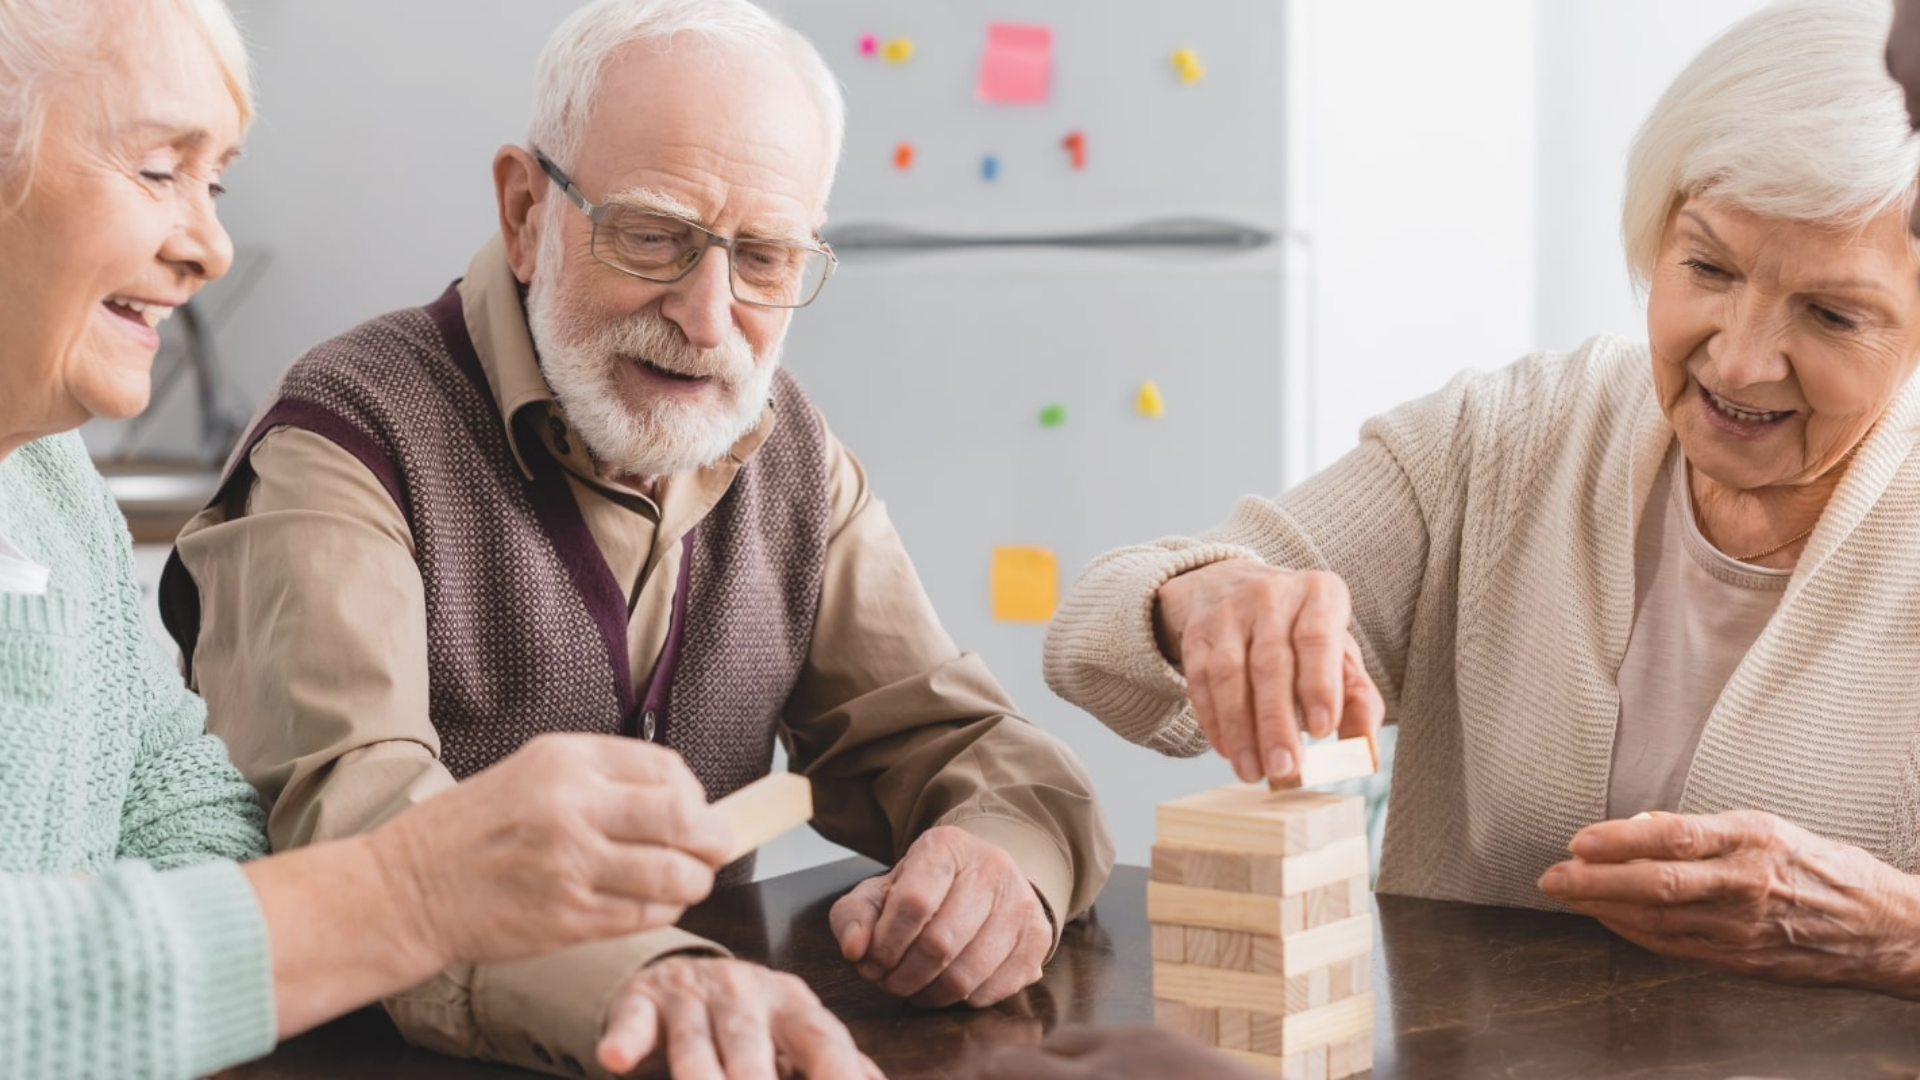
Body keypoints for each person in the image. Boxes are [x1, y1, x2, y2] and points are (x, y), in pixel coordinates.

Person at [159, 0, 1114, 1074]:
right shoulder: (347, 437)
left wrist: (996, 868)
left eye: (763, 259)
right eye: (655, 235)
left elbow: (960, 744)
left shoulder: (784, 446)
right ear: (525, 211)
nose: (709, 317)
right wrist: (646, 980)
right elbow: (362, 831)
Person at [0, 1, 859, 1078]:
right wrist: (411, 892)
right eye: (158, 170)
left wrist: (101, 951)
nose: (210, 246)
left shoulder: (47, 481)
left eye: (213, 182)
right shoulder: (352, 424)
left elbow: (194, 810)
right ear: (525, 212)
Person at [1047, 0, 1920, 1008]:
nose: (1740, 357)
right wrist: (1203, 600)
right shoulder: (1509, 439)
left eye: (1832, 313)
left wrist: (1895, 936)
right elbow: (1094, 636)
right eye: (1708, 267)